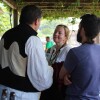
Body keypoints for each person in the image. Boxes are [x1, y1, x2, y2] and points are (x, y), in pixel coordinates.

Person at [0, 5, 53, 100]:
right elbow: (41, 76)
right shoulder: (32, 39)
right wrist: (50, 69)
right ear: (37, 21)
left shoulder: (6, 34)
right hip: (21, 94)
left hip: (2, 90)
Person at [59, 14, 100, 100]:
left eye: (79, 27)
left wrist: (67, 75)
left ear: (83, 30)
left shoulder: (75, 52)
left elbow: (61, 75)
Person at [40, 24, 71, 100]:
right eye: (55, 32)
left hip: (59, 88)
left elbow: (72, 69)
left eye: (60, 33)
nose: (56, 34)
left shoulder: (68, 50)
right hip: (48, 84)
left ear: (65, 37)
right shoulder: (51, 49)